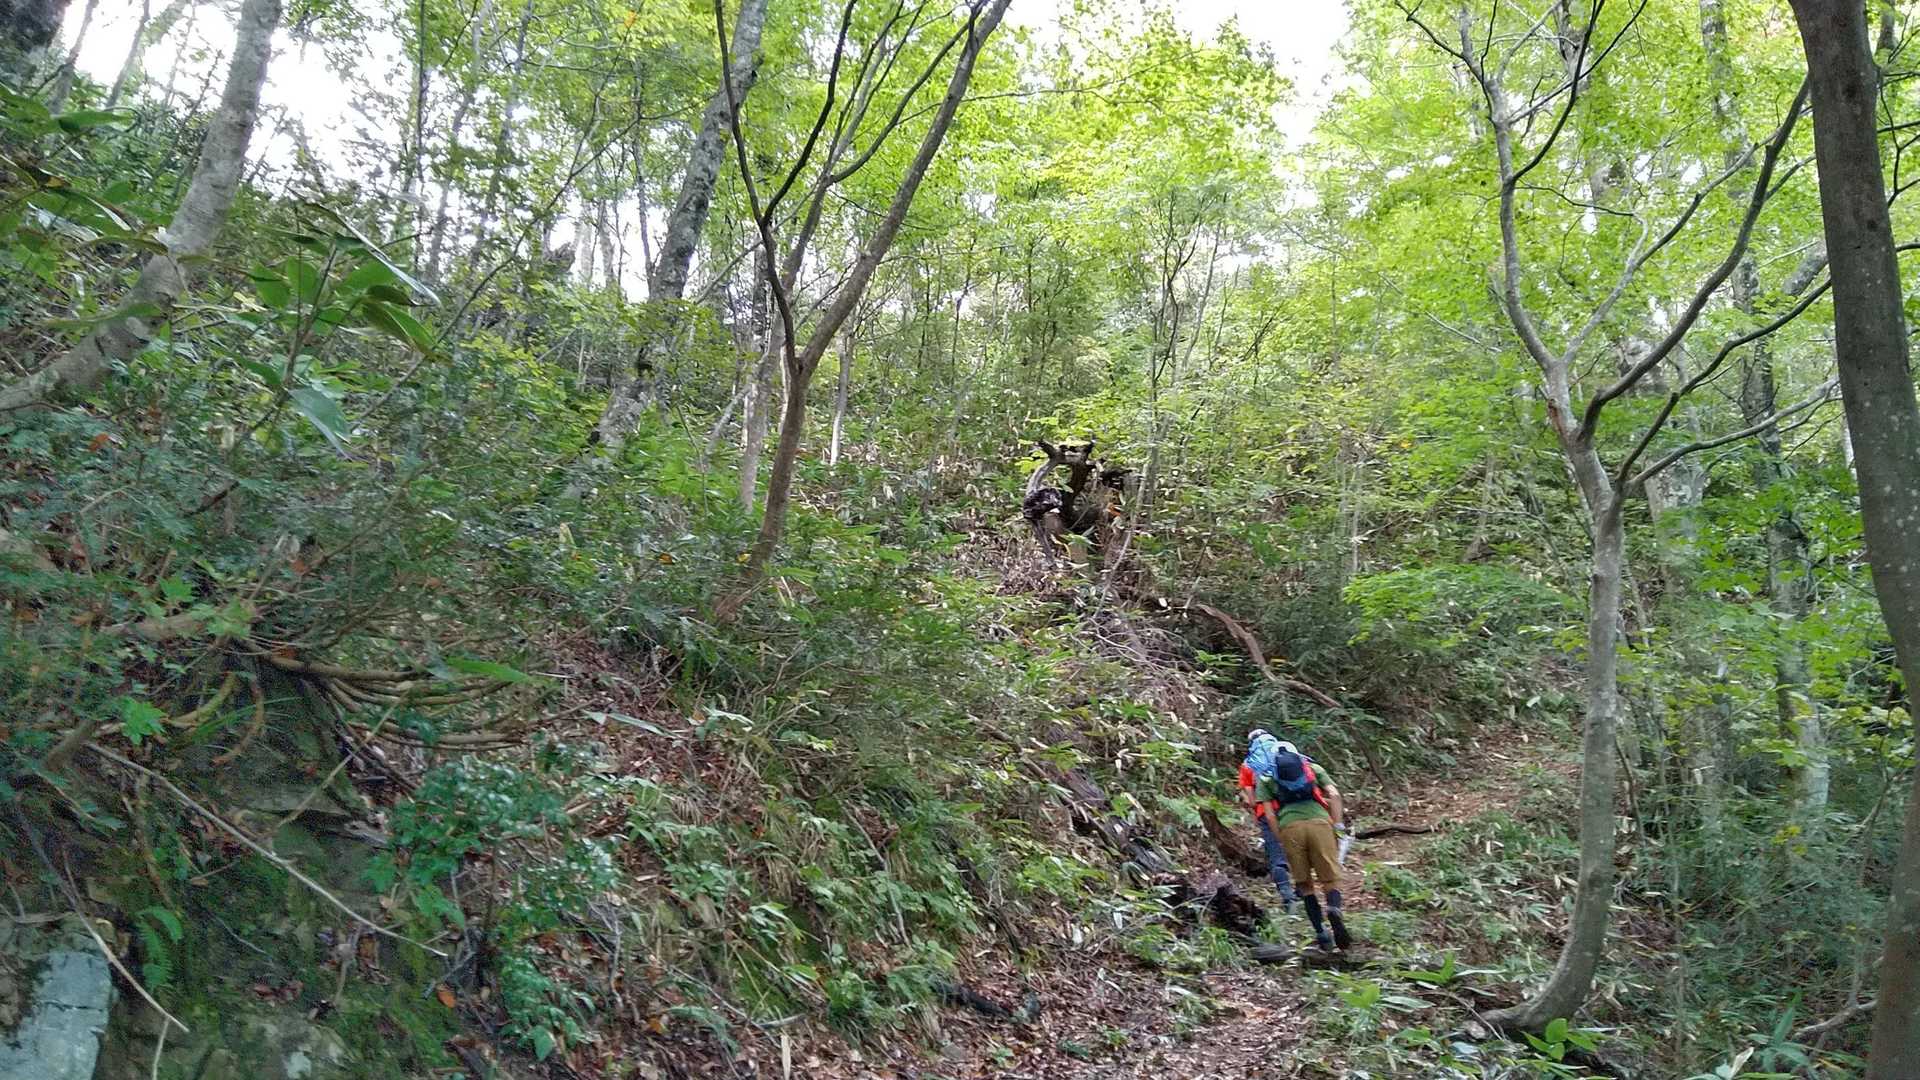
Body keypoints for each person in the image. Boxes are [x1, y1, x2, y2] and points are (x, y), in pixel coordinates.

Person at [1250, 732, 1353, 951]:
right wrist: (1337, 825)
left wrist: (1281, 837)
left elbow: (1269, 816)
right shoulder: (1313, 769)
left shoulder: (1266, 779)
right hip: (1320, 824)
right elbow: (1334, 795)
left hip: (1290, 828)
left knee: (1305, 885)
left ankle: (1321, 934)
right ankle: (1334, 909)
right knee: (1329, 879)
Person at [1238, 730, 1296, 909]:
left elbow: (1251, 800)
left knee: (1276, 854)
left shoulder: (1248, 764)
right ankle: (1304, 891)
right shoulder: (1284, 753)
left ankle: (1287, 896)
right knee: (1298, 848)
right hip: (1291, 809)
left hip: (1266, 812)